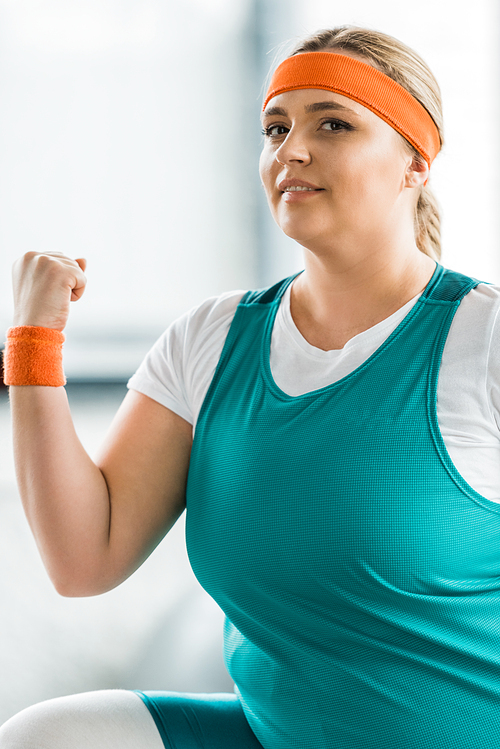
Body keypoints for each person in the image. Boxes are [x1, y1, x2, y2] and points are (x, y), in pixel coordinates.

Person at [1, 23, 500, 749]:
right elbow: (86, 556)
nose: (290, 150)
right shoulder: (212, 338)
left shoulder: (481, 341)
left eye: (333, 123)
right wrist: (34, 346)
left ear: (415, 163)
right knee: (49, 737)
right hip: (274, 733)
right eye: (276, 127)